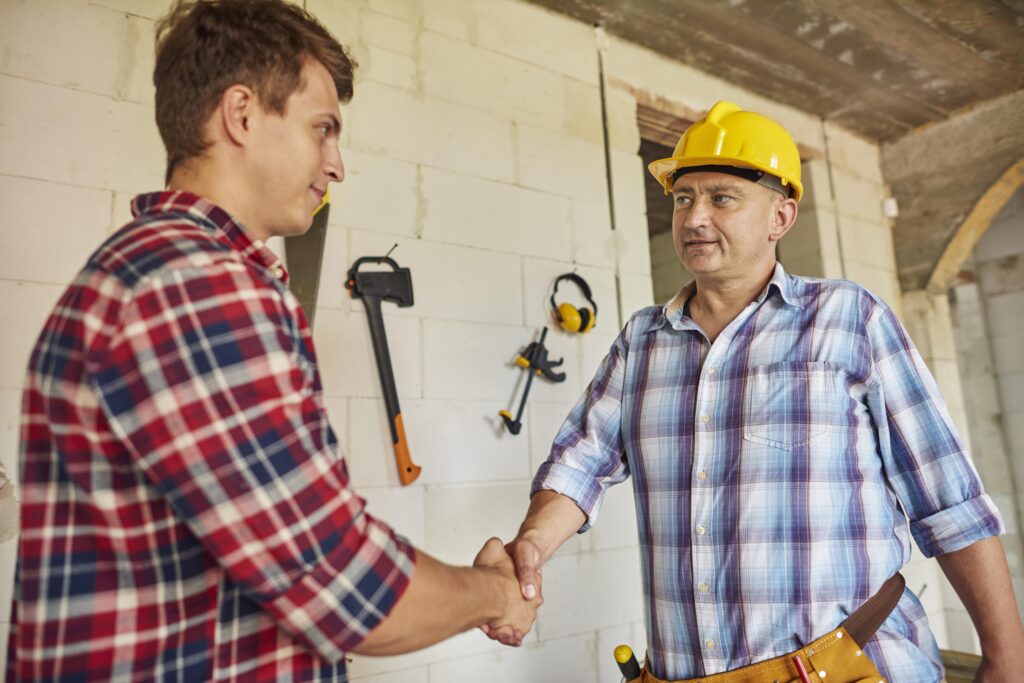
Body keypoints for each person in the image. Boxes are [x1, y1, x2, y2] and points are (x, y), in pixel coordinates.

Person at [8, 1, 537, 680]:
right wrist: (497, 593)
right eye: (323, 130)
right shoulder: (197, 284)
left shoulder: (159, 271)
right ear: (242, 114)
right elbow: (351, 591)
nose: (336, 164)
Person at [489, 101, 1024, 681]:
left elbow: (949, 501)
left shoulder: (849, 319)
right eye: (683, 198)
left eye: (721, 198)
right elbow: (579, 465)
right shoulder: (642, 340)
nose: (694, 218)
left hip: (852, 668)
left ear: (781, 217)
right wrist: (532, 551)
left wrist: (1007, 657)